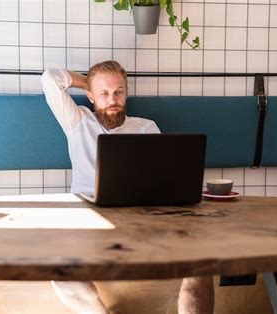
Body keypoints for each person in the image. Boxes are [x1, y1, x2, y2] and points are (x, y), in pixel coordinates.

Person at [42, 60, 214, 314]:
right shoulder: (78, 121)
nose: (113, 99)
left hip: (141, 219)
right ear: (90, 96)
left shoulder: (146, 127)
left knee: (202, 261)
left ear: (127, 93)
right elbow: (50, 77)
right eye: (104, 93)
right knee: (56, 265)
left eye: (119, 92)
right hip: (88, 220)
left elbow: (165, 177)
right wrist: (86, 81)